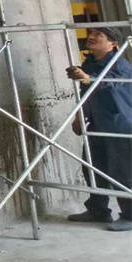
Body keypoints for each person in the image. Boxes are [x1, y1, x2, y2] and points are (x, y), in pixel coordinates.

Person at [66, 26, 132, 231]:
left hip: (118, 125)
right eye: (91, 33)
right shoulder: (90, 62)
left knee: (122, 172)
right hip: (95, 123)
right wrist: (79, 117)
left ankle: (130, 216)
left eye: (99, 35)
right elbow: (85, 92)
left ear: (113, 43)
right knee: (93, 167)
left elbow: (109, 85)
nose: (92, 37)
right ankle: (98, 210)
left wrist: (86, 78)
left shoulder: (120, 63)